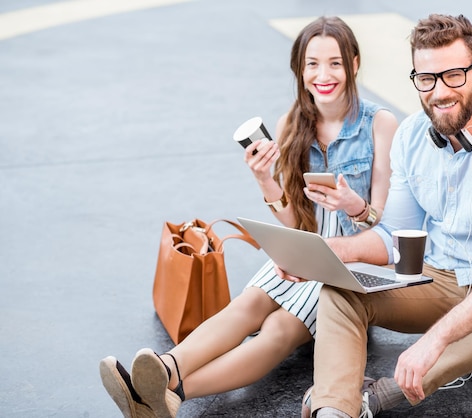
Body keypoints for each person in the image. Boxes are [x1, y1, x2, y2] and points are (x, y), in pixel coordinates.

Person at [98, 15, 398, 418]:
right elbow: (297, 224)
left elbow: (386, 226)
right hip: (307, 252)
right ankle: (166, 371)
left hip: (352, 266)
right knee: (248, 304)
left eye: (335, 63)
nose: (322, 75)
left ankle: (166, 392)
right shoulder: (290, 125)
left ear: (354, 64)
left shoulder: (380, 124)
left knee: (276, 331)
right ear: (299, 69)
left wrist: (353, 206)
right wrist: (263, 179)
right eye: (312, 64)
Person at [296, 14, 472, 418]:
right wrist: (328, 251)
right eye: (427, 79)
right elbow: (391, 237)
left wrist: (432, 340)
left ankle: (381, 396)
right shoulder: (410, 137)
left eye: (454, 75)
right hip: (440, 277)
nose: (440, 91)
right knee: (340, 288)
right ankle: (334, 410)